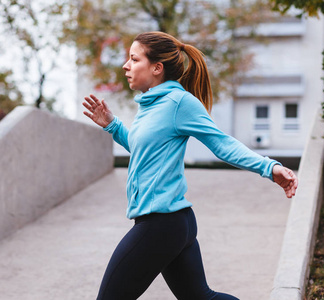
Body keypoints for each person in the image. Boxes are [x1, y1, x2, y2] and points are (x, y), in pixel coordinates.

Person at [83, 31, 298, 300]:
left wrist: (270, 168)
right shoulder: (149, 104)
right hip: (171, 222)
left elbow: (222, 144)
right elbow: (144, 150)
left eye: (134, 59)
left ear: (156, 68)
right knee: (201, 298)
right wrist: (113, 126)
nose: (126, 65)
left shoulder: (179, 103)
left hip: (161, 223)